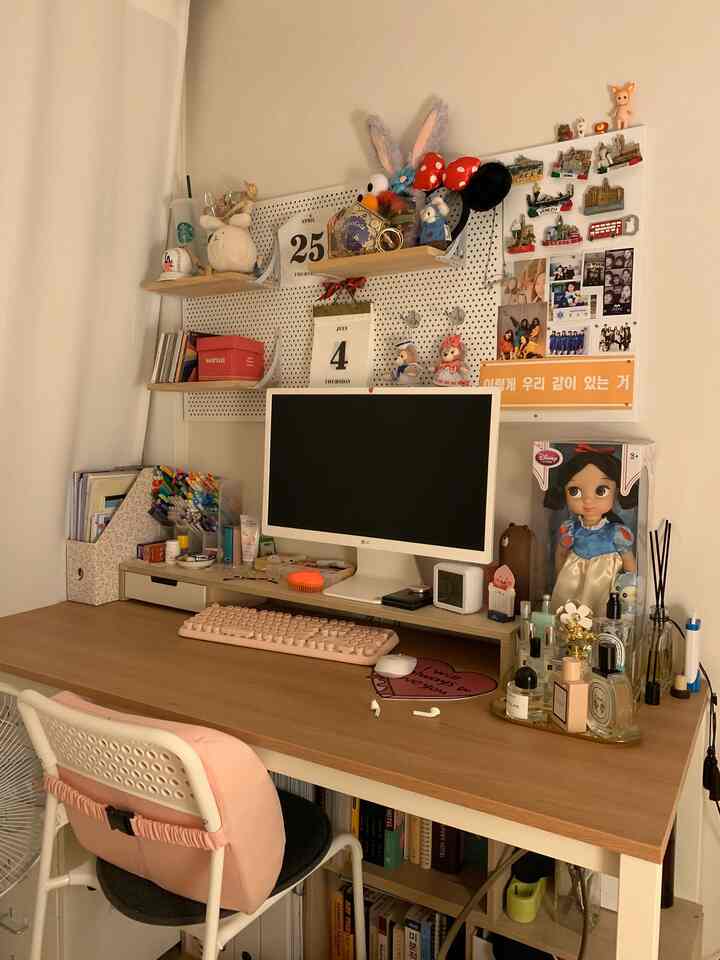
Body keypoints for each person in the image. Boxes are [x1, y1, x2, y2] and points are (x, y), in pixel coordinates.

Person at [544, 445, 637, 614]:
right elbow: (560, 554)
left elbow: (629, 563)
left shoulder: (616, 533)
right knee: (567, 618)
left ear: (616, 492)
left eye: (601, 491)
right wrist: (560, 578)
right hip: (571, 586)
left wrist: (630, 590)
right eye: (574, 491)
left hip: (603, 588)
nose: (588, 500)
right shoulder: (571, 529)